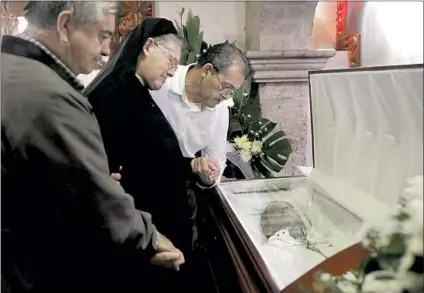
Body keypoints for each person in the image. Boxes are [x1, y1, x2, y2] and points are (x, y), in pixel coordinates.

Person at [1, 2, 184, 291]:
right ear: (64, 25)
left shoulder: (10, 67)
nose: (106, 51)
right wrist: (150, 238)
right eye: (101, 35)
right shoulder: (50, 95)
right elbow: (94, 195)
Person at [83, 18, 217, 290]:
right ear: (148, 46)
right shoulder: (114, 92)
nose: (171, 72)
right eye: (170, 61)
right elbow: (110, 171)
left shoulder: (132, 88)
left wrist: (191, 165)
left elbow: (149, 159)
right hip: (137, 240)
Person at [150, 42, 250, 185]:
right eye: (226, 87)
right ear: (207, 70)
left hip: (181, 185)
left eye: (232, 92)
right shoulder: (162, 82)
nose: (226, 96)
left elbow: (217, 161)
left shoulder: (220, 108)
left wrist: (209, 173)